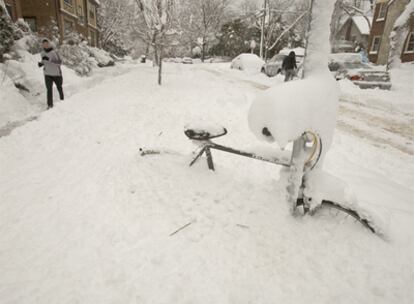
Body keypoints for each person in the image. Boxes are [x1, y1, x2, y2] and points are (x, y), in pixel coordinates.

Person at [38, 39, 64, 109]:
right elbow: (44, 61)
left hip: (56, 74)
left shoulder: (54, 52)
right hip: (47, 74)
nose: (45, 45)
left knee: (59, 87)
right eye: (44, 44)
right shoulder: (42, 53)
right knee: (49, 89)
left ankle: (63, 101)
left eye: (46, 43)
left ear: (49, 44)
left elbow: (59, 62)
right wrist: (41, 63)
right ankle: (50, 105)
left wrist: (50, 60)